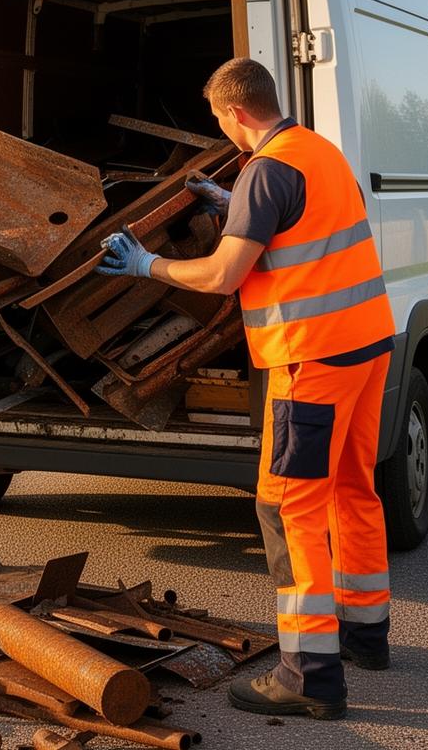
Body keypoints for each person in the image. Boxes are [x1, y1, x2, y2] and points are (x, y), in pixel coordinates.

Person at [97, 58, 394, 720]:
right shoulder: (315, 150)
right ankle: (366, 636)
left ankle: (309, 674)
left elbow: (225, 276)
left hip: (308, 360)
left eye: (219, 121)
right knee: (352, 488)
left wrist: (150, 264)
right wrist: (236, 207)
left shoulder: (266, 170)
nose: (223, 133)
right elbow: (306, 226)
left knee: (288, 510)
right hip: (366, 346)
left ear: (235, 113)